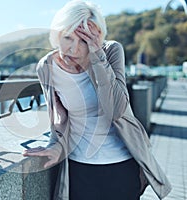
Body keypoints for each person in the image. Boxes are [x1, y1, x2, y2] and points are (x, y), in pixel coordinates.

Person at [23, 0, 171, 200]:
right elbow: (58, 117)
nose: (73, 49)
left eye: (83, 40)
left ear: (98, 38)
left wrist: (97, 56)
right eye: (67, 37)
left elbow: (117, 110)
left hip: (122, 165)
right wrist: (55, 146)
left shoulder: (110, 52)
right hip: (78, 168)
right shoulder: (46, 67)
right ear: (57, 34)